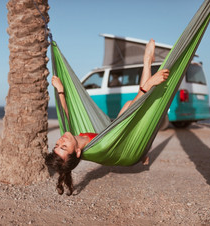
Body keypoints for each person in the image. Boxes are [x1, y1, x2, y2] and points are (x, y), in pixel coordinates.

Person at [45, 39, 170, 196]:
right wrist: (150, 84)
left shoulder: (73, 138)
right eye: (63, 147)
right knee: (135, 107)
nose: (61, 140)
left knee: (129, 104)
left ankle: (147, 63)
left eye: (57, 144)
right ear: (77, 152)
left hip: (115, 132)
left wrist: (61, 91)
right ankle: (146, 63)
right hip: (124, 144)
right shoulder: (99, 147)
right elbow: (123, 124)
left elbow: (66, 115)